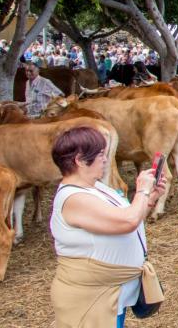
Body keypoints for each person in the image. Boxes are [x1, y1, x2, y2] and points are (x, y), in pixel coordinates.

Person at [50, 126, 167, 328]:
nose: (105, 160)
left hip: (111, 294)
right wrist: (142, 191)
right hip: (91, 300)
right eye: (100, 155)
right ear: (79, 160)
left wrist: (150, 199)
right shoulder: (73, 198)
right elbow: (128, 221)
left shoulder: (96, 187)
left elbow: (128, 218)